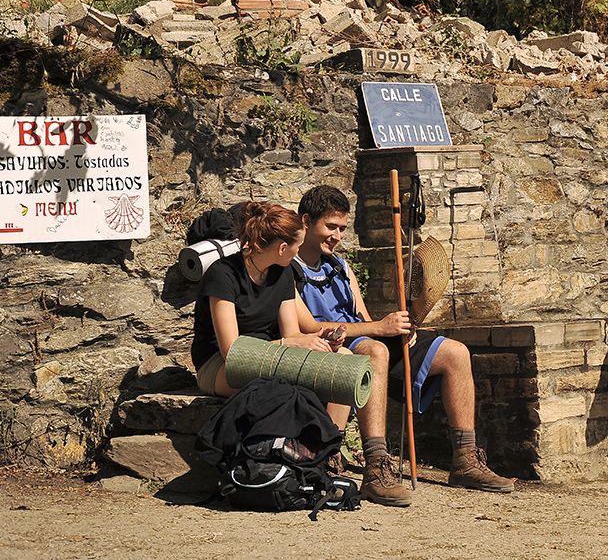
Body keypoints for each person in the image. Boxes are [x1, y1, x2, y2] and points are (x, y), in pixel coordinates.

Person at [291, 185, 515, 507]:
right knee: (374, 350)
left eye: (342, 228)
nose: (337, 236)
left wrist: (392, 332)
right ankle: (376, 466)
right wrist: (378, 329)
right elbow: (307, 327)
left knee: (455, 353)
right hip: (329, 350)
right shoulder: (291, 270)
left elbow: (362, 318)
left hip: (366, 340)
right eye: (330, 227)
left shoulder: (341, 267)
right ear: (307, 221)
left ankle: (466, 459)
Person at [190, 202, 352, 431]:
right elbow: (232, 351)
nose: (299, 251)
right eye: (298, 245)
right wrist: (291, 343)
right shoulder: (223, 274)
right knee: (291, 382)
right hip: (219, 364)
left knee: (343, 361)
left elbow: (292, 333)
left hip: (272, 353)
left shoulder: (282, 272)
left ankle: (330, 443)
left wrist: (319, 342)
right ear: (283, 248)